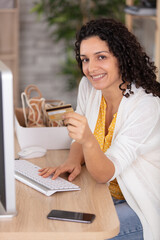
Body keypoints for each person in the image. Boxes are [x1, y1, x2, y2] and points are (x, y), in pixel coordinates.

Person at [39, 18, 160, 240]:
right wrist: (73, 160)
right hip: (103, 193)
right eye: (85, 59)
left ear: (121, 58)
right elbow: (79, 137)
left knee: (80, 234)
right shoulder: (89, 87)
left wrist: (87, 140)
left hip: (139, 203)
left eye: (101, 57)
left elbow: (104, 173)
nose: (91, 68)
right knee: (49, 218)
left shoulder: (146, 106)